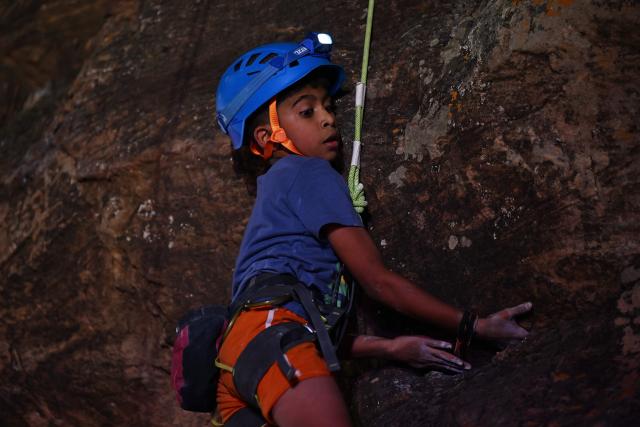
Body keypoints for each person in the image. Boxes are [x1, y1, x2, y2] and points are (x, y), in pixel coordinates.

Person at [214, 32, 532, 427]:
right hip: (273, 341)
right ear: (267, 137)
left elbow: (307, 321)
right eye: (306, 111)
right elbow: (379, 283)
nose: (329, 117)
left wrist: (391, 347)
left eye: (328, 107)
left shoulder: (275, 196)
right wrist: (475, 326)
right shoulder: (307, 172)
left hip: (240, 365)